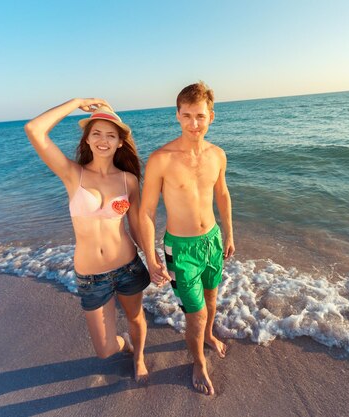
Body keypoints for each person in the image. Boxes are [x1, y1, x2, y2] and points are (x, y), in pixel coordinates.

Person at [24, 99, 150, 382]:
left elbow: (137, 224)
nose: (103, 140)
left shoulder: (129, 180)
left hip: (128, 266)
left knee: (135, 318)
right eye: (96, 133)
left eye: (110, 134)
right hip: (92, 276)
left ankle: (139, 356)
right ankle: (125, 345)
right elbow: (34, 129)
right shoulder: (73, 174)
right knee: (105, 350)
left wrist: (152, 260)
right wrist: (78, 101)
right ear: (87, 139)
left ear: (120, 142)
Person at [140, 82, 235, 395]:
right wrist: (152, 257)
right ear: (177, 116)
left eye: (201, 116)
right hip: (181, 249)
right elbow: (147, 212)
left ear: (212, 117)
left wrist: (229, 233)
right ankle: (198, 362)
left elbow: (222, 193)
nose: (194, 123)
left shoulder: (217, 155)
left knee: (211, 300)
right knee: (195, 314)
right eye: (187, 116)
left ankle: (208, 336)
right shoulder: (161, 159)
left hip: (212, 240)